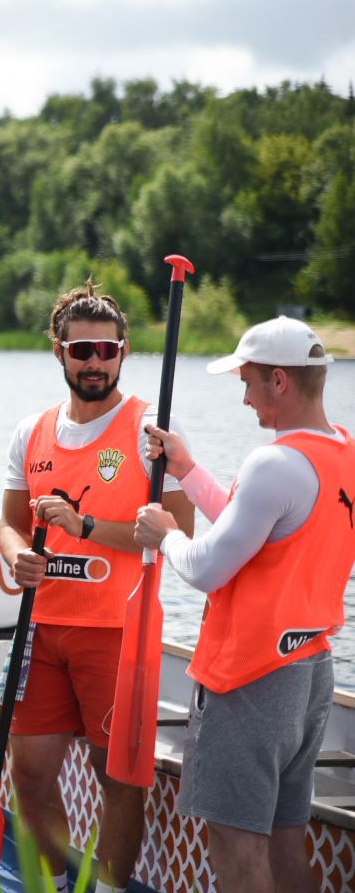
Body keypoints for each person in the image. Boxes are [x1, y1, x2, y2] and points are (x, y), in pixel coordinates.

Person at [135, 317, 350, 893]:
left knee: (237, 846)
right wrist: (186, 469)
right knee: (284, 839)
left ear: (279, 380)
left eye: (248, 382)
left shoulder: (275, 463)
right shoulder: (343, 451)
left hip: (250, 676)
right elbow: (253, 524)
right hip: (310, 667)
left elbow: (207, 568)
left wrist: (166, 536)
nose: (245, 397)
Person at [0, 284, 194, 893]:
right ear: (59, 352)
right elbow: (9, 525)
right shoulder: (31, 431)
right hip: (41, 627)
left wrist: (85, 526)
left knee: (117, 779)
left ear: (124, 352)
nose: (94, 362)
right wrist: (16, 556)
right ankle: (57, 885)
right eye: (81, 350)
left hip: (117, 631)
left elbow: (181, 531)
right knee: (29, 774)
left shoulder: (149, 429)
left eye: (106, 351)